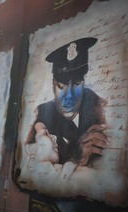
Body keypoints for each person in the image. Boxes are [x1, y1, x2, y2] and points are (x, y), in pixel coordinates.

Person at [26, 37, 108, 167]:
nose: (69, 96)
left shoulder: (102, 109)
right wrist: (76, 156)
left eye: (76, 84)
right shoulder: (41, 115)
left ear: (84, 84)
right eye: (61, 86)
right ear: (53, 86)